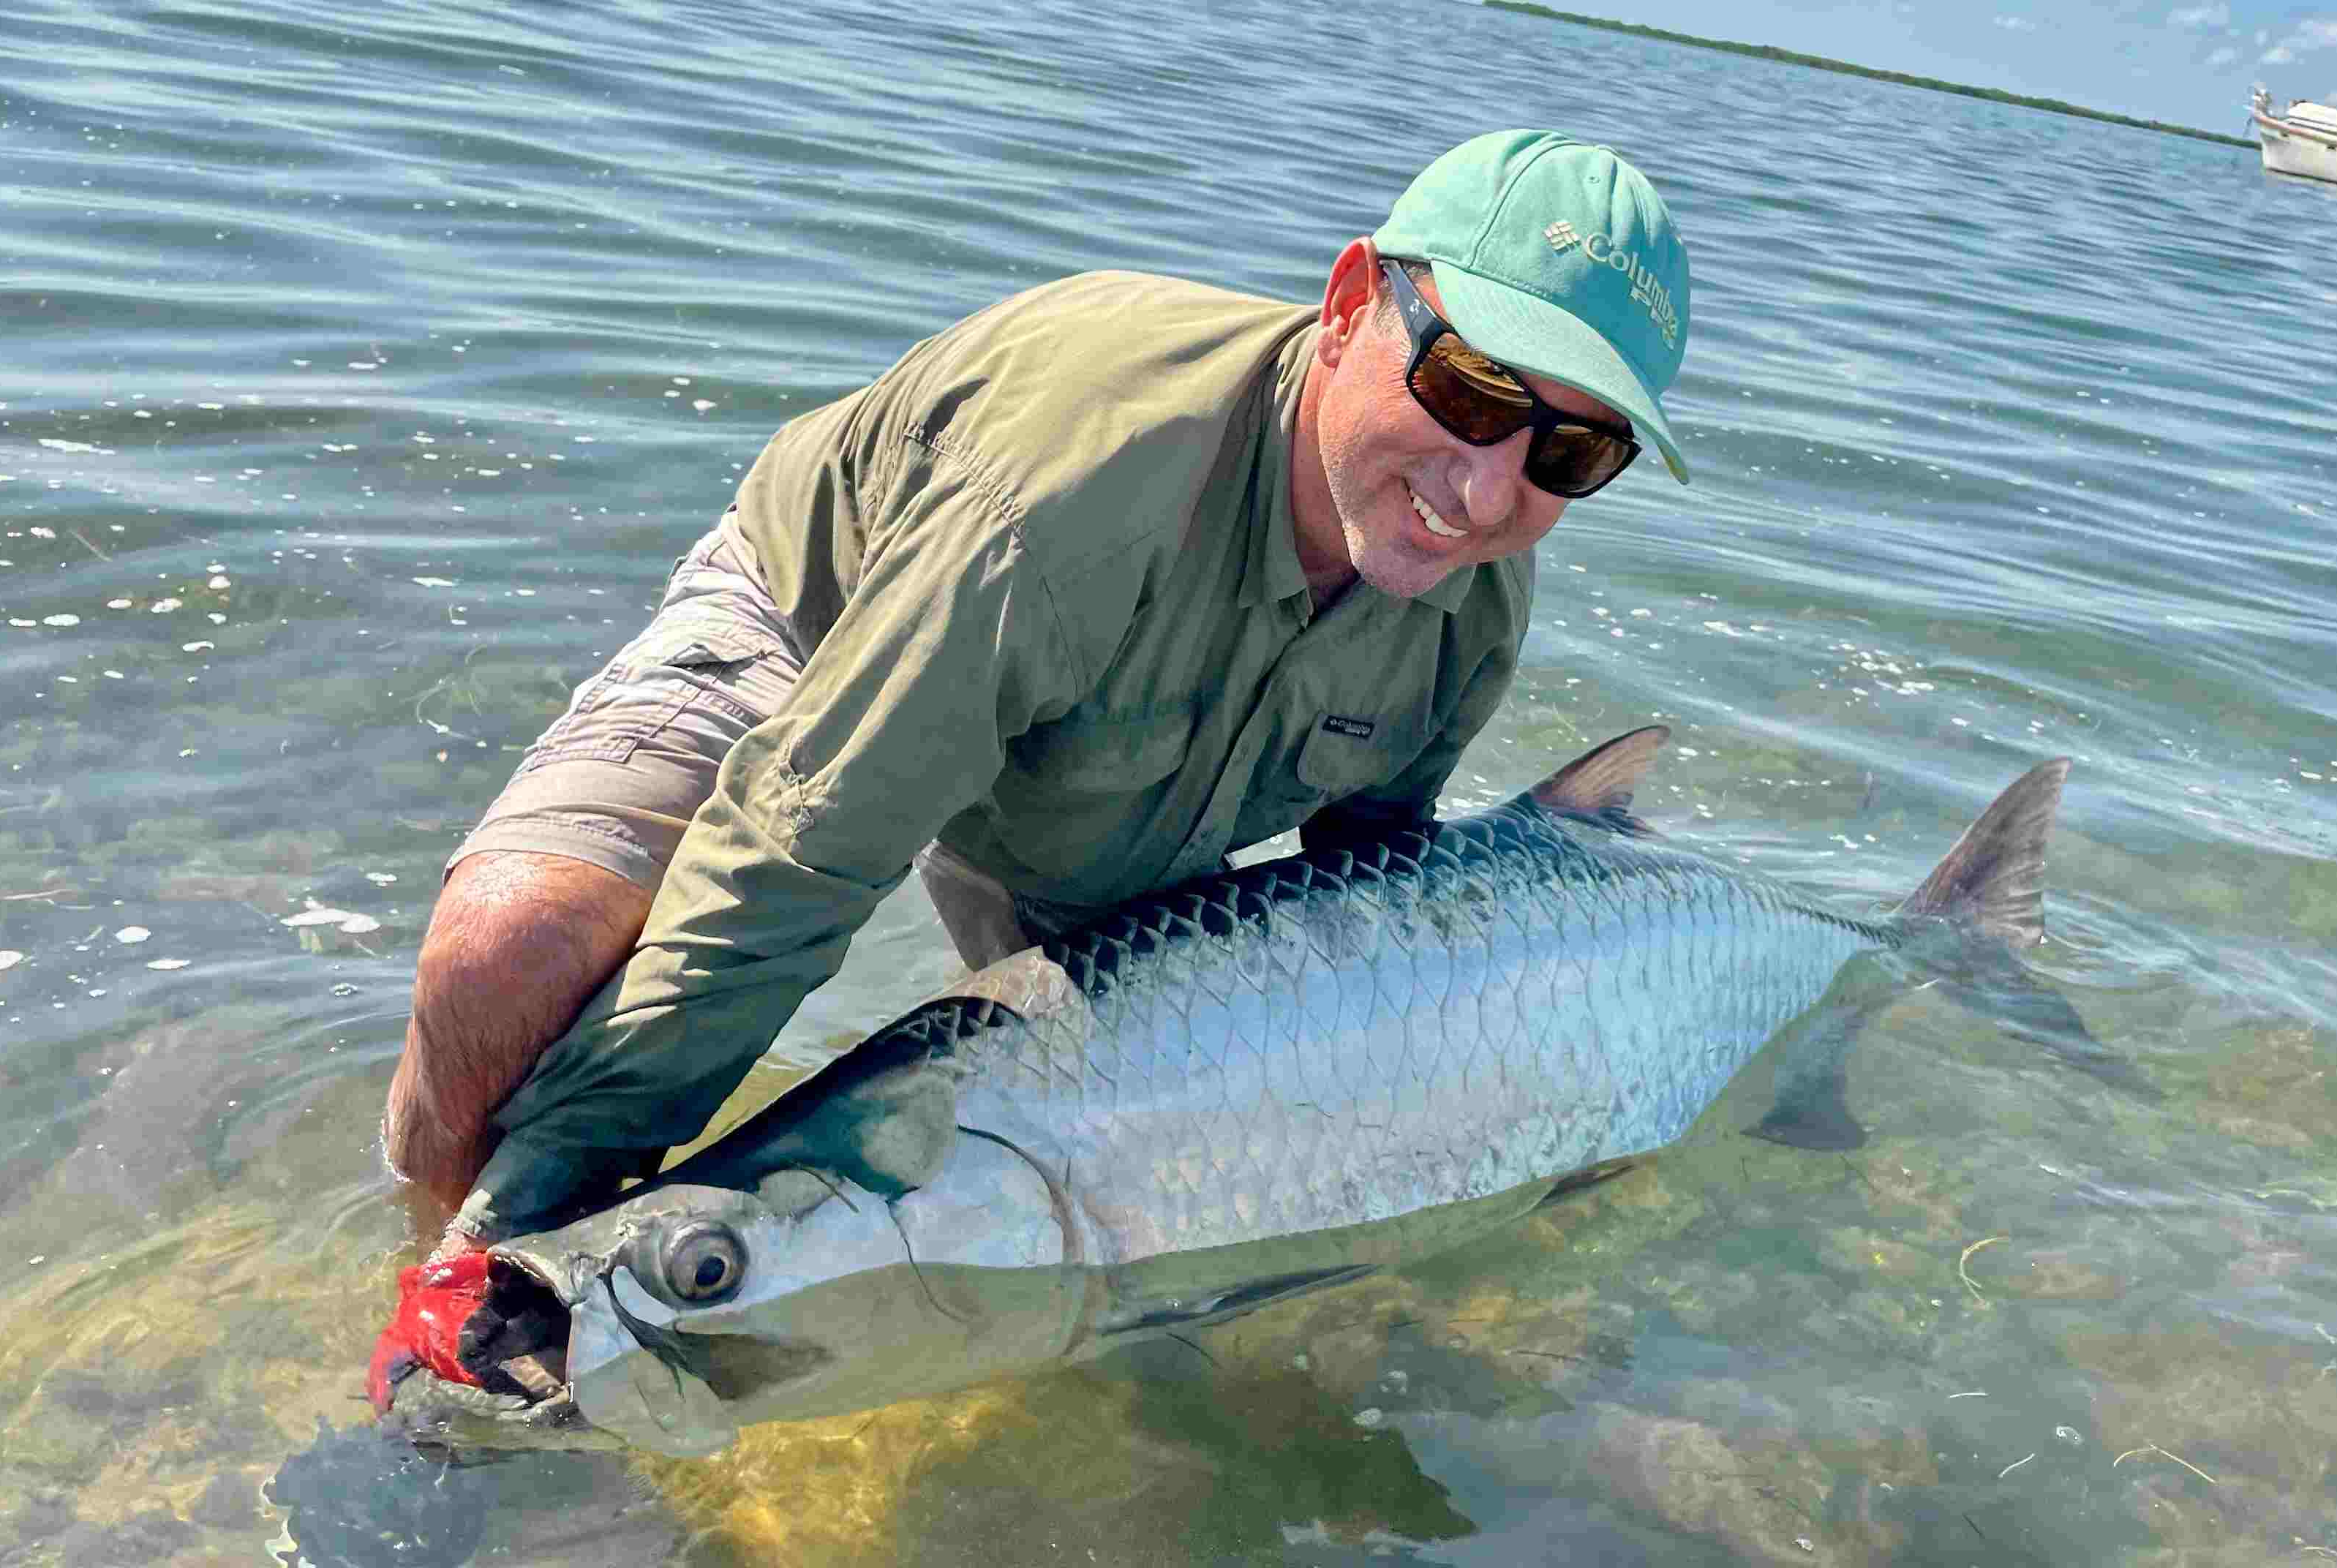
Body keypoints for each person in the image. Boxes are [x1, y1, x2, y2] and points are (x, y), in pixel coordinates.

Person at [368, 128, 1693, 1404]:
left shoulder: (1472, 606)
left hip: (1116, 782)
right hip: (836, 618)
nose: (1483, 491)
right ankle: (447, 1299)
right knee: (512, 946)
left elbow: (1368, 918)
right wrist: (526, 1241)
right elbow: (797, 864)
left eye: (1569, 452)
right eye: (1468, 391)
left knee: (1122, 1176)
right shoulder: (1065, 500)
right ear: (1351, 304)